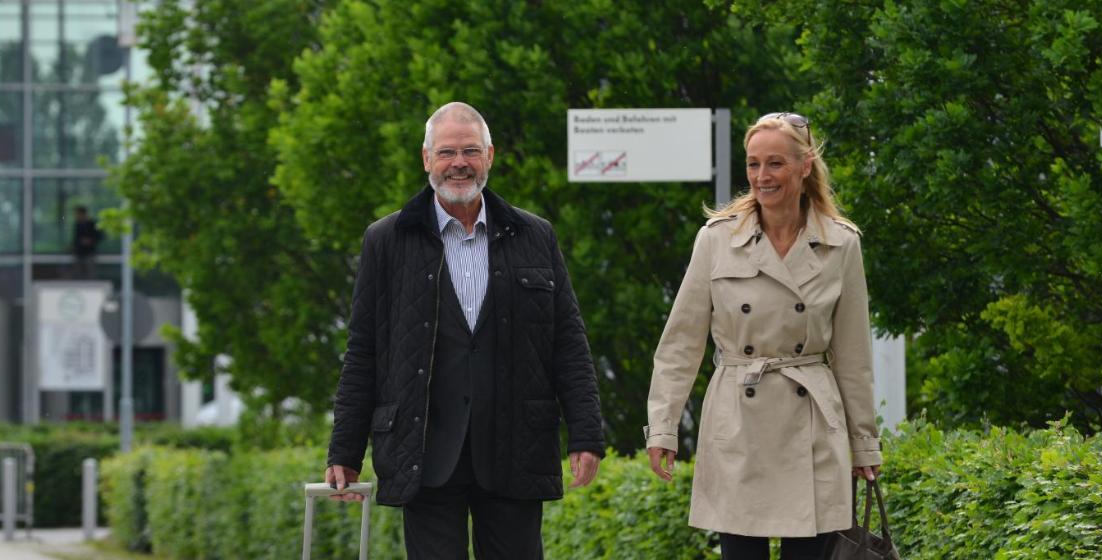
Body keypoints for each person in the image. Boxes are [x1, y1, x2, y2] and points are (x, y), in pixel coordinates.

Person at [324, 102, 605, 559]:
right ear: (426, 159)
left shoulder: (535, 235)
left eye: (470, 151)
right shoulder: (387, 240)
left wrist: (587, 433)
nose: (459, 163)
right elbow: (363, 350)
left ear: (490, 156)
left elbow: (568, 342)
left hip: (516, 447)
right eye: (447, 152)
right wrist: (345, 452)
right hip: (424, 451)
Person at [643, 112, 882, 560]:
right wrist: (662, 428)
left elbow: (853, 356)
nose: (762, 176)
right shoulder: (716, 240)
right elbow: (680, 345)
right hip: (738, 425)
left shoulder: (842, 244)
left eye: (775, 163)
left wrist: (864, 442)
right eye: (753, 164)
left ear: (805, 166)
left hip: (812, 425)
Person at [71, 205, 101, 278]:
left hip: (89, 253)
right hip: (79, 253)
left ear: (83, 214)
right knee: (77, 273)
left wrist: (90, 240)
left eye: (78, 214)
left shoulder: (92, 224)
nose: (77, 216)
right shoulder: (77, 224)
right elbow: (76, 238)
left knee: (90, 273)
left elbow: (99, 236)